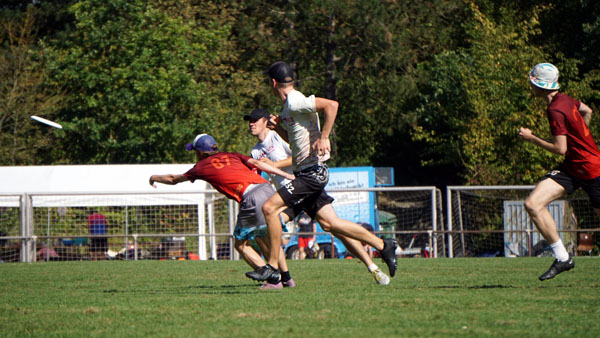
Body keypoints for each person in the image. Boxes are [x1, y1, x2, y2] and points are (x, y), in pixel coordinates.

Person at [246, 61, 398, 286]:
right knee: (330, 224)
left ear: (273, 82)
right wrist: (279, 129)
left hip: (311, 173)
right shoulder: (288, 107)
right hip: (306, 173)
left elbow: (332, 105)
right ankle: (384, 246)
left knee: (269, 208)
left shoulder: (295, 100)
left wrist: (325, 136)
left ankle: (272, 266)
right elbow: (297, 142)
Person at [149, 133, 297, 289]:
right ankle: (287, 279)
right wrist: (286, 174)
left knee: (241, 245)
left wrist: (154, 177)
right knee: (269, 238)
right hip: (267, 189)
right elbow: (257, 164)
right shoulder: (231, 155)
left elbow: (173, 179)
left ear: (200, 152)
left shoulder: (201, 167)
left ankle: (273, 280)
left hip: (251, 196)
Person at [519, 63, 600, 280]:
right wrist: (581, 139)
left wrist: (532, 138)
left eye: (532, 80)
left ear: (539, 84)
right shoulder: (564, 99)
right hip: (572, 167)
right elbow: (587, 111)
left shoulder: (555, 109)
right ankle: (563, 257)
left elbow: (560, 149)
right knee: (533, 204)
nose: (530, 83)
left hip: (593, 170)